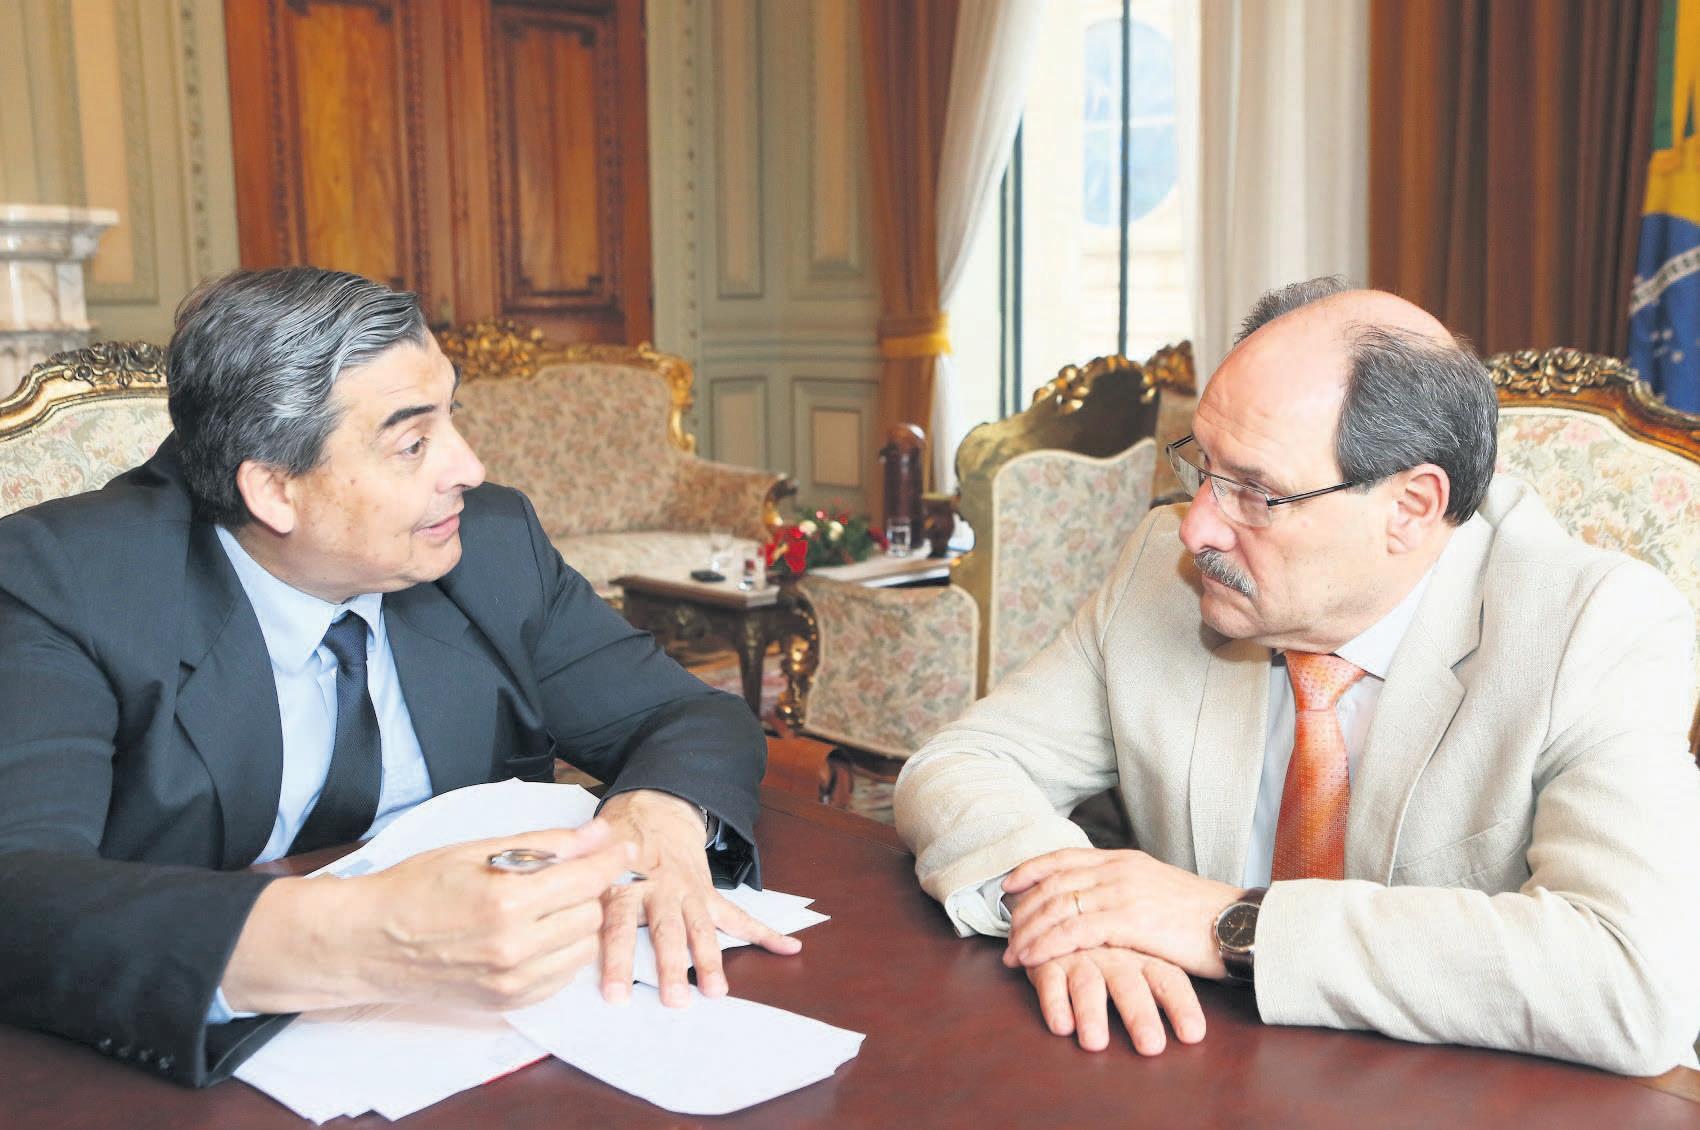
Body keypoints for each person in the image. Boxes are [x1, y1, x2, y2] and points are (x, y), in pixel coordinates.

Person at [0, 267, 799, 1087]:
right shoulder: (61, 582)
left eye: (454, 417)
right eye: (413, 443)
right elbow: (20, 893)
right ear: (273, 489)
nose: (470, 468)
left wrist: (659, 813)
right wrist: (357, 936)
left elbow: (687, 716)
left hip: (515, 1054)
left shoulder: (489, 542)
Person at [894, 278, 1700, 1075]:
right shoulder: (1161, 573)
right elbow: (963, 763)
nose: (1198, 528)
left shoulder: (1592, 627)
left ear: (1411, 508)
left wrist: (1226, 922)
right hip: (1187, 1072)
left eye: (1256, 492)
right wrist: (1075, 913)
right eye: (1204, 467)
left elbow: (1636, 979)